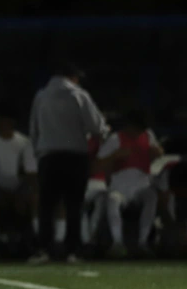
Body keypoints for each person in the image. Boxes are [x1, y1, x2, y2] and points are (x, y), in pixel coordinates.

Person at [29, 62, 110, 263]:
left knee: (47, 206)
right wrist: (103, 131)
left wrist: (40, 152)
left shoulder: (41, 96)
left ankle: (44, 249)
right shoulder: (80, 95)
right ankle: (73, 250)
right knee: (74, 205)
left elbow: (33, 129)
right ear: (72, 77)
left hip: (49, 156)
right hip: (75, 156)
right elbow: (96, 126)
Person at [98, 108, 163, 257]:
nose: (138, 133)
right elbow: (99, 164)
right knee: (113, 200)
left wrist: (158, 152)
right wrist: (115, 156)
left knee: (152, 197)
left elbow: (157, 152)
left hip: (142, 184)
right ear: (129, 125)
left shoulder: (148, 135)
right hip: (120, 185)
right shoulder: (115, 139)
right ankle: (117, 243)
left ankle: (143, 242)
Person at [0, 108, 39, 252]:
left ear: (12, 122)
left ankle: (37, 240)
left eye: (5, 120)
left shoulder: (25, 143)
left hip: (20, 191)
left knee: (34, 198)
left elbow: (31, 175)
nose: (2, 124)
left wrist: (19, 193)